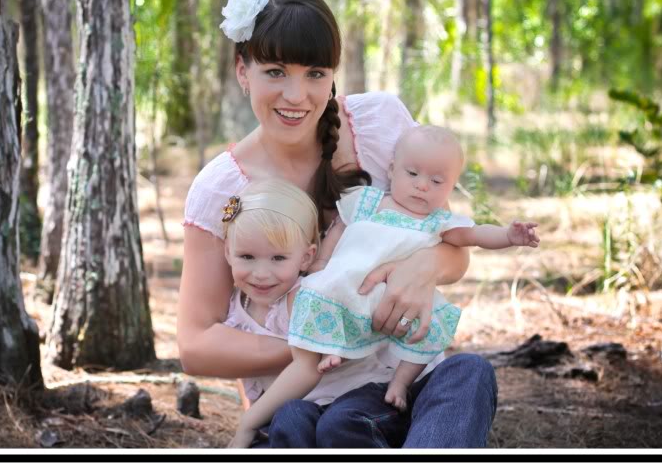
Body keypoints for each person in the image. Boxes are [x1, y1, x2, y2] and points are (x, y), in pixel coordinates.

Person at [178, 0, 497, 448]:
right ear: (242, 71)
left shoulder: (380, 125)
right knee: (315, 427)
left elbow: (452, 250)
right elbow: (195, 345)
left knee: (469, 373)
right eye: (275, 72)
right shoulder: (220, 189)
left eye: (315, 73)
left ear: (332, 74)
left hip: (398, 384)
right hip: (303, 405)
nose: (296, 95)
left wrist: (424, 265)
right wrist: (325, 342)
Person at [228, 125, 540, 448]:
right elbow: (333, 244)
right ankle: (334, 348)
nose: (422, 185)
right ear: (392, 170)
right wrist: (321, 270)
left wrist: (508, 236)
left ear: (451, 187)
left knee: (461, 364)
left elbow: (474, 235)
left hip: (393, 322)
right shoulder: (366, 203)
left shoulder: (437, 222)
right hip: (349, 296)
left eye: (436, 181)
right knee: (319, 415)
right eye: (413, 174)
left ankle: (400, 385)